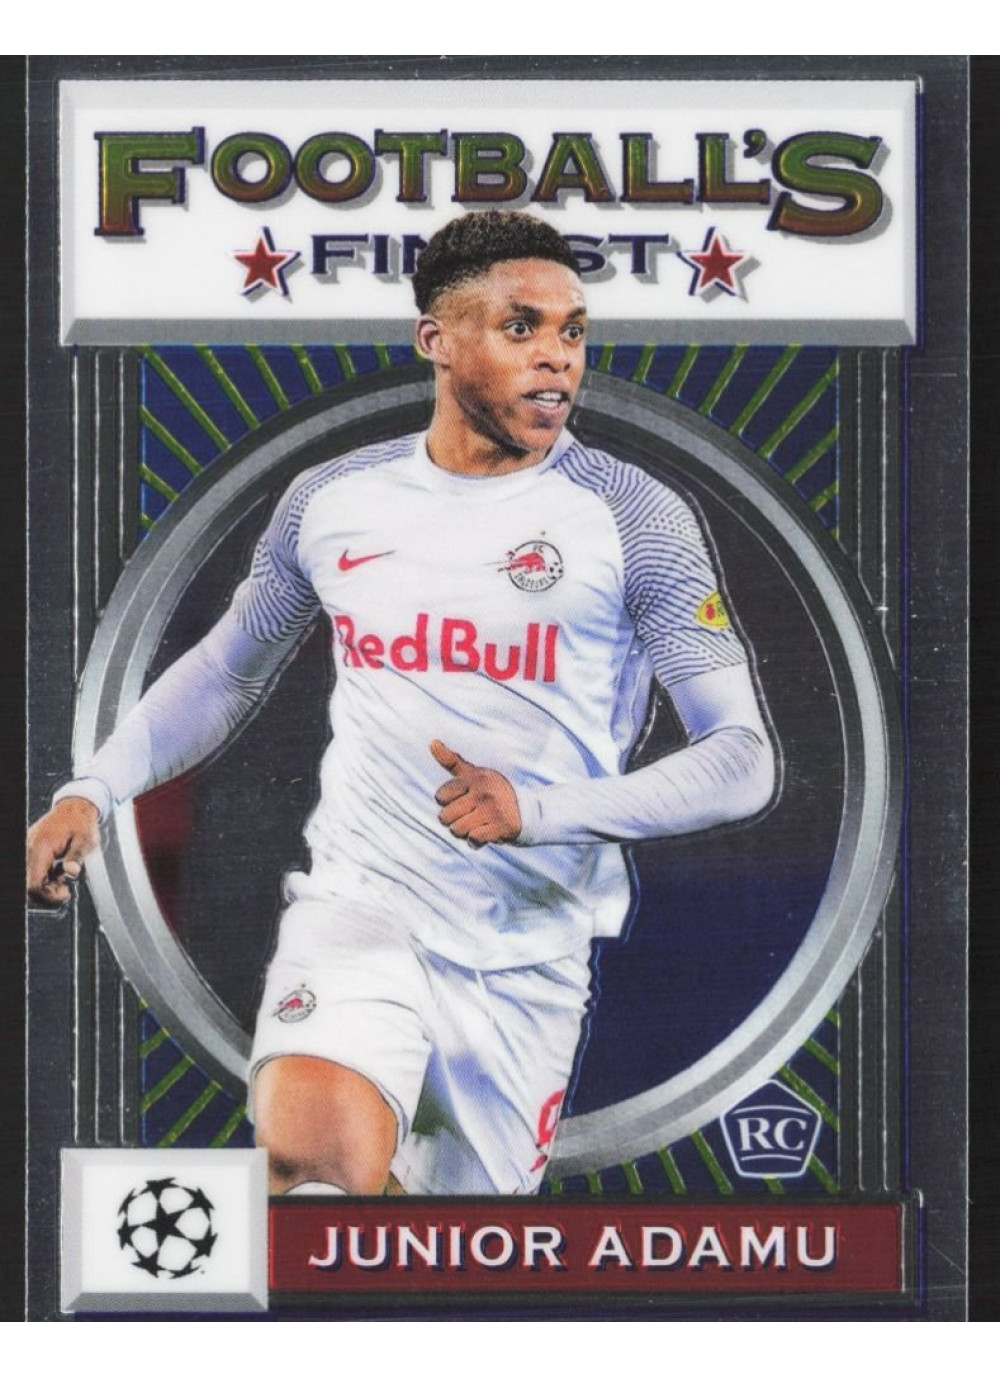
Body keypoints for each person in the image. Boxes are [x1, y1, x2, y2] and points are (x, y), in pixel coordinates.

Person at [27, 210, 775, 1197]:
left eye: (572, 331)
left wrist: (537, 809)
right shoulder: (334, 499)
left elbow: (742, 758)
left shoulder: (633, 516)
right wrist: (93, 789)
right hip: (359, 912)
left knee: (436, 1260)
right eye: (520, 327)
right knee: (311, 1173)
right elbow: (226, 671)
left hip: (528, 953)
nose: (556, 358)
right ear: (438, 340)